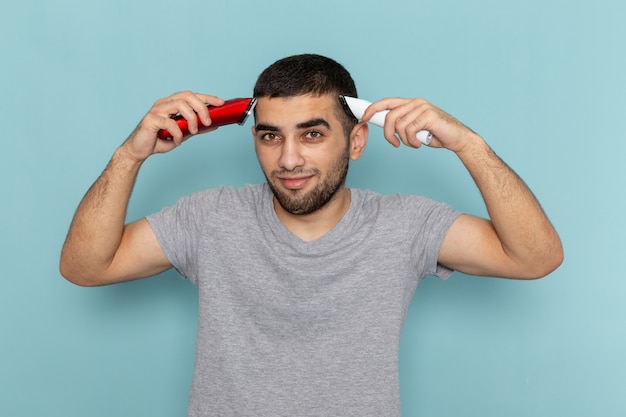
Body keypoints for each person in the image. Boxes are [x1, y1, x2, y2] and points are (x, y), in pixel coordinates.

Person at [60, 54, 563, 416]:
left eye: (313, 133)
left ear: (357, 140)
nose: (289, 159)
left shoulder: (406, 225)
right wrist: (131, 155)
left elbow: (535, 258)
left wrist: (469, 145)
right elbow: (84, 267)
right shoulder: (210, 217)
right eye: (270, 135)